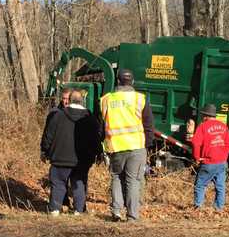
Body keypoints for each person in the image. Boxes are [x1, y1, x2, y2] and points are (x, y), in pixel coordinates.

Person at [100, 68, 154, 222]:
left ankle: (116, 211)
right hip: (136, 146)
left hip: (115, 146)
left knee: (116, 177)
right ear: (133, 82)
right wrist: (147, 146)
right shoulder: (140, 99)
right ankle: (132, 216)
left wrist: (102, 145)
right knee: (133, 181)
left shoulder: (106, 99)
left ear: (117, 81)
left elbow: (101, 125)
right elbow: (149, 125)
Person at [40, 90, 102, 216]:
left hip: (60, 157)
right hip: (82, 159)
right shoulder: (89, 118)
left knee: (58, 182)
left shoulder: (58, 115)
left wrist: (45, 150)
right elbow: (96, 138)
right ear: (82, 101)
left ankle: (55, 209)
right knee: (79, 182)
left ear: (70, 100)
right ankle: (79, 210)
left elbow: (48, 136)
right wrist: (98, 153)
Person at [190, 104, 229, 212]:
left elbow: (195, 143)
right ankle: (219, 208)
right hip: (221, 162)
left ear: (206, 116)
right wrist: (223, 157)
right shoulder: (223, 126)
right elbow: (228, 145)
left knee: (200, 185)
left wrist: (197, 157)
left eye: (203, 115)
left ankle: (198, 207)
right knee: (220, 186)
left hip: (208, 162)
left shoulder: (203, 126)